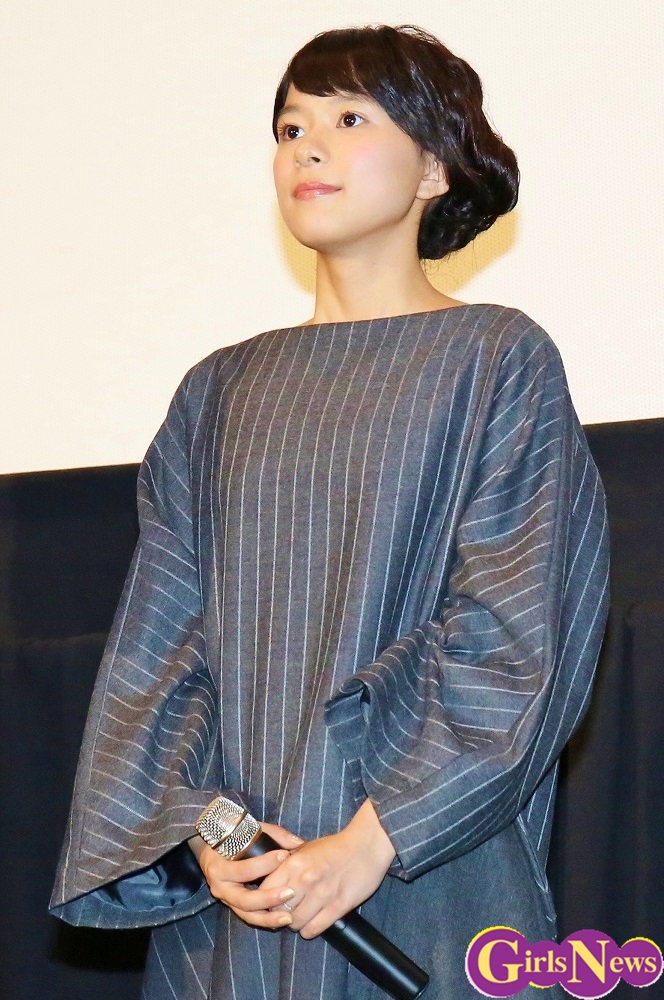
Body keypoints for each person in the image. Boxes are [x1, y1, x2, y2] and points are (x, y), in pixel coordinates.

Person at [50, 24, 609, 1000]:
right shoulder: (217, 392)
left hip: (426, 877)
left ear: (433, 168)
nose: (307, 147)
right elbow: (161, 653)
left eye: (349, 119)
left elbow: (519, 632)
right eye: (290, 127)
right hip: (243, 900)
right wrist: (205, 839)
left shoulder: (495, 358)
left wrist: (368, 842)